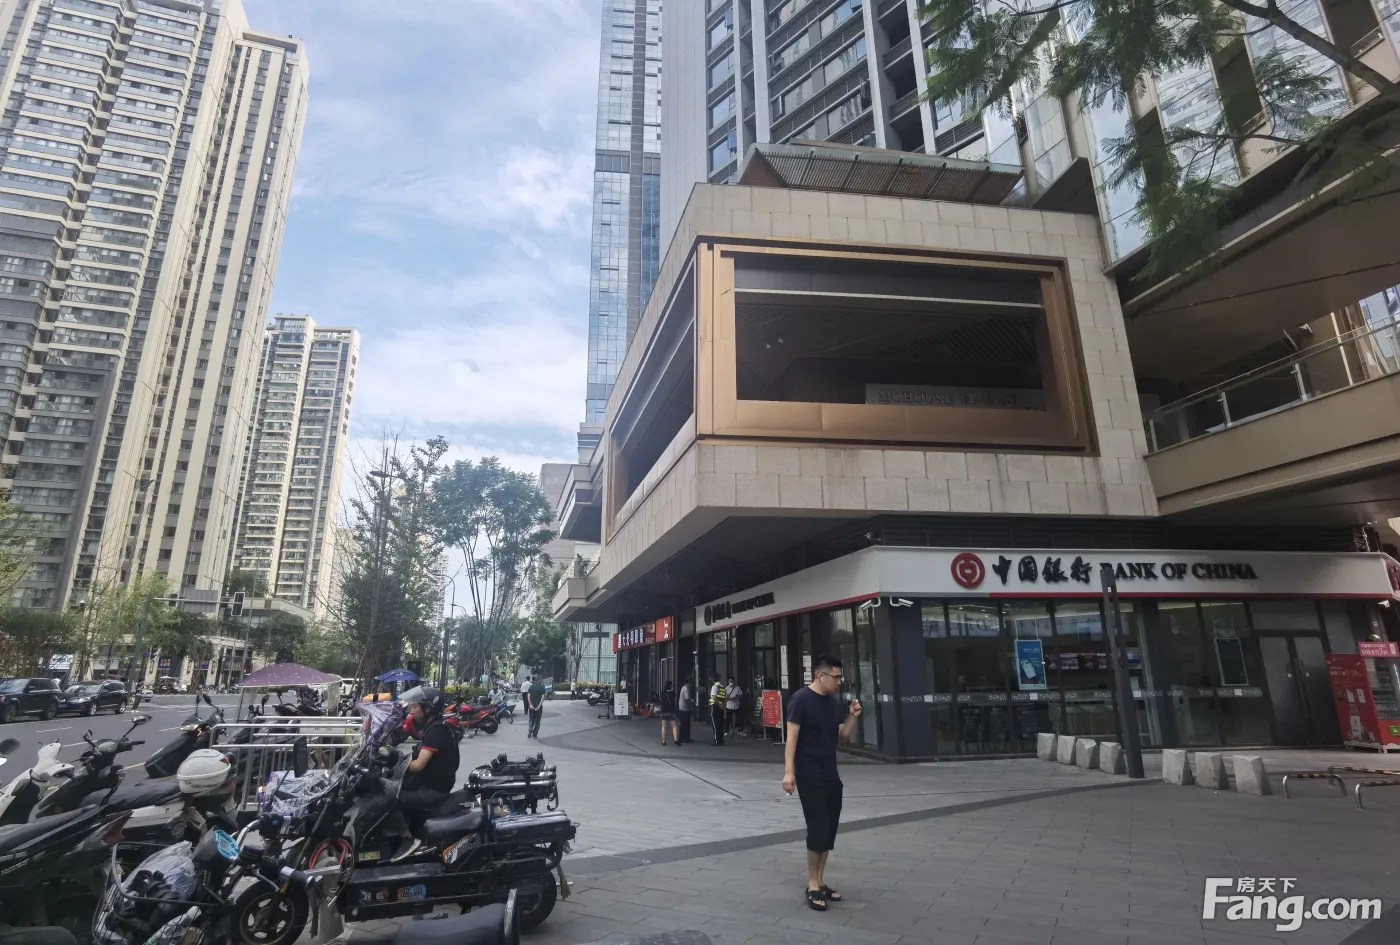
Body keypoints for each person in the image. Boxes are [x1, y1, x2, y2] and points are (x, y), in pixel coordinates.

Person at [781, 654, 861, 913]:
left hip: (830, 775)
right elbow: (792, 738)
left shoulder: (832, 703)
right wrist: (789, 773)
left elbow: (842, 736)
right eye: (836, 677)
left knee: (828, 832)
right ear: (820, 676)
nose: (839, 682)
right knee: (817, 829)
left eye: (840, 677)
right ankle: (812, 884)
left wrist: (853, 717)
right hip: (808, 774)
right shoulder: (800, 699)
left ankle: (820, 880)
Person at [659, 680, 680, 747]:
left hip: (664, 711)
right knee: (674, 726)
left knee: (663, 727)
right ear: (670, 685)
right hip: (671, 711)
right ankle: (676, 740)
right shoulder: (672, 692)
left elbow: (661, 701)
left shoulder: (662, 692)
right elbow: (674, 696)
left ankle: (664, 741)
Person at [709, 676, 727, 746]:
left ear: (713, 680)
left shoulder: (714, 687)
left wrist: (719, 705)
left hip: (715, 706)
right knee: (720, 724)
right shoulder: (723, 687)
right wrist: (723, 706)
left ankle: (717, 741)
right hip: (721, 708)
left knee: (715, 725)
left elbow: (714, 697)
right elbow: (725, 698)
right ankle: (721, 740)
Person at [677, 677, 693, 744]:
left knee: (685, 724)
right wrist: (692, 704)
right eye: (691, 683)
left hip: (683, 708)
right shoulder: (686, 689)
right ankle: (682, 738)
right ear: (688, 682)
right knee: (684, 724)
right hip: (685, 709)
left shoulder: (683, 688)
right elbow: (687, 699)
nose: (691, 684)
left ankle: (685, 738)